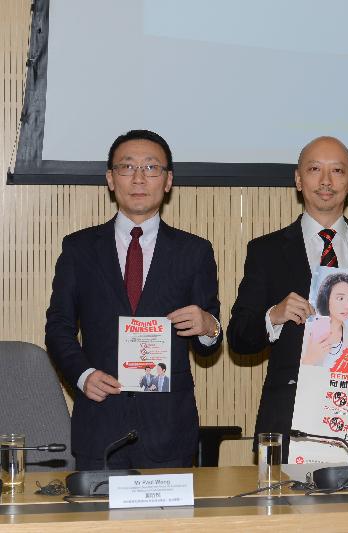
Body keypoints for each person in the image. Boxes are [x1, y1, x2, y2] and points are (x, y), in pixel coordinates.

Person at [45, 129, 222, 469]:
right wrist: (82, 375)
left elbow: (208, 343)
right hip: (100, 424)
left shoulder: (194, 251)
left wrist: (207, 326)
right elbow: (58, 326)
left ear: (168, 181)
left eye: (151, 167)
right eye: (127, 167)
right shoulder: (79, 248)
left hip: (168, 430)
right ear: (111, 179)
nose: (139, 178)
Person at [226, 136, 348, 459]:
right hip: (288, 420)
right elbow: (238, 338)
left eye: (337, 171)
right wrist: (274, 316)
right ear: (298, 179)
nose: (326, 181)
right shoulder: (265, 251)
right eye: (314, 169)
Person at [301, 272, 348, 367]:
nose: (347, 306)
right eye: (340, 298)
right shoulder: (306, 330)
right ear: (326, 299)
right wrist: (309, 359)